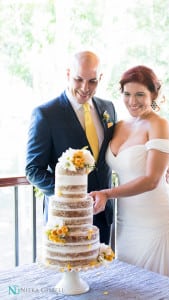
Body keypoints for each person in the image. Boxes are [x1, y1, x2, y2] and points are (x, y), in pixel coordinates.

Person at [90, 65, 169, 283]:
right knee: (129, 285)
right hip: (126, 220)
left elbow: (152, 180)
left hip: (156, 219)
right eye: (127, 94)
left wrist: (106, 193)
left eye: (140, 95)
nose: (132, 101)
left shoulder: (159, 124)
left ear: (153, 95)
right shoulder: (118, 125)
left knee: (159, 286)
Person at [25, 50, 117, 245]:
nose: (85, 88)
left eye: (92, 81)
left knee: (103, 275)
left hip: (102, 216)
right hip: (66, 219)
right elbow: (33, 170)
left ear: (100, 78)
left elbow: (116, 152)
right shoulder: (46, 114)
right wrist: (72, 195)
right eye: (78, 79)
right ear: (68, 74)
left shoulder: (108, 108)